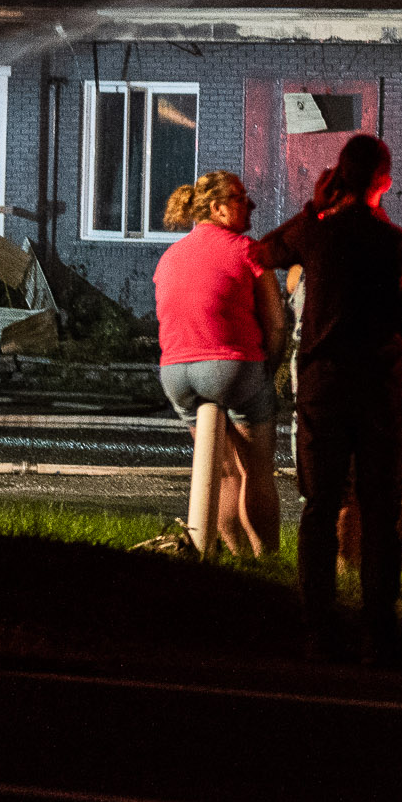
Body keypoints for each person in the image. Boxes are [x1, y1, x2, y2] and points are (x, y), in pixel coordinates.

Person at [254, 133, 402, 664]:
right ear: (385, 180)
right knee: (379, 507)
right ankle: (379, 628)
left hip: (323, 386)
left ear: (338, 177)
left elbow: (260, 253)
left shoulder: (317, 233)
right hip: (379, 390)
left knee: (320, 505)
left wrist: (312, 208)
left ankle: (318, 625)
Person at [152, 171, 287, 554]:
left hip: (176, 373)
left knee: (224, 472)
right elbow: (276, 325)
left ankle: (235, 555)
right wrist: (267, 370)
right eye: (241, 197)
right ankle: (266, 559)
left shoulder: (169, 257)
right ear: (217, 208)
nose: (251, 204)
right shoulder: (248, 250)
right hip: (232, 367)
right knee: (256, 470)